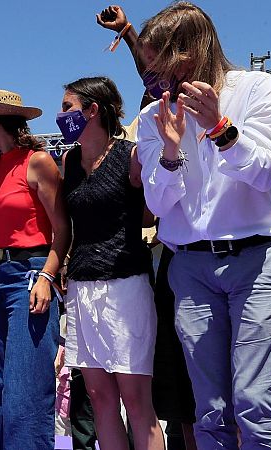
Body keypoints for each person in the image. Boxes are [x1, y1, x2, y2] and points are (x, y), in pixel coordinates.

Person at [136, 3, 271, 448]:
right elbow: (156, 202)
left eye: (156, 62)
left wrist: (220, 127)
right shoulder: (154, 118)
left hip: (257, 261)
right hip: (189, 268)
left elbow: (266, 173)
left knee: (253, 401)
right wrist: (170, 153)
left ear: (187, 53)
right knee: (209, 409)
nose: (151, 75)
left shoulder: (259, 89)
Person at [97, 6, 198, 450]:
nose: (156, 94)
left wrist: (130, 33)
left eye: (160, 86)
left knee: (200, 376)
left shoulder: (190, 111)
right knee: (169, 373)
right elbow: (151, 75)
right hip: (159, 256)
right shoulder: (140, 133)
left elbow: (152, 69)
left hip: (190, 245)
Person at [0, 89, 70, 449]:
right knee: (1, 387)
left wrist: (48, 275)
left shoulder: (37, 161)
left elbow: (63, 228)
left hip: (31, 271)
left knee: (26, 386)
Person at [59, 76, 164, 450]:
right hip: (81, 288)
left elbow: (151, 217)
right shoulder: (68, 161)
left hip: (126, 285)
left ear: (94, 110)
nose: (61, 115)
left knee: (136, 401)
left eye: (68, 107)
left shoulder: (131, 154)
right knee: (101, 399)